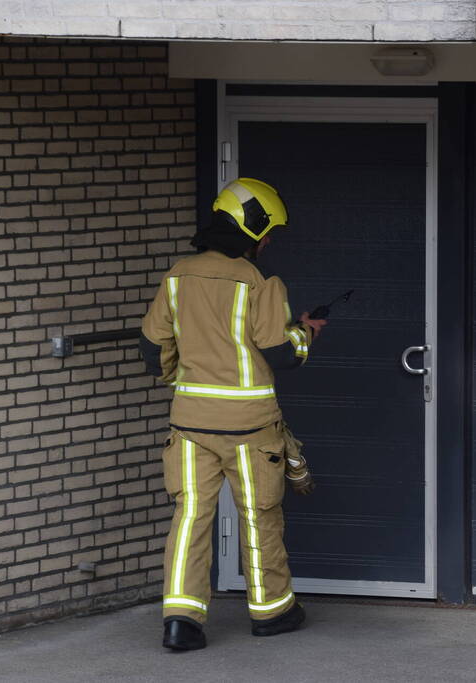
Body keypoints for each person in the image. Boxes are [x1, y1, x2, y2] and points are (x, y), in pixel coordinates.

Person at [139, 178, 325, 651]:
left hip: (189, 425)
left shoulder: (177, 276)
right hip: (250, 428)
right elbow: (280, 354)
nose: (268, 244)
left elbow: (153, 346)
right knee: (260, 516)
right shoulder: (260, 283)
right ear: (252, 230)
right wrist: (305, 333)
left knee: (191, 518)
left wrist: (181, 383)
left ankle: (181, 621)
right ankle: (272, 612)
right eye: (268, 234)